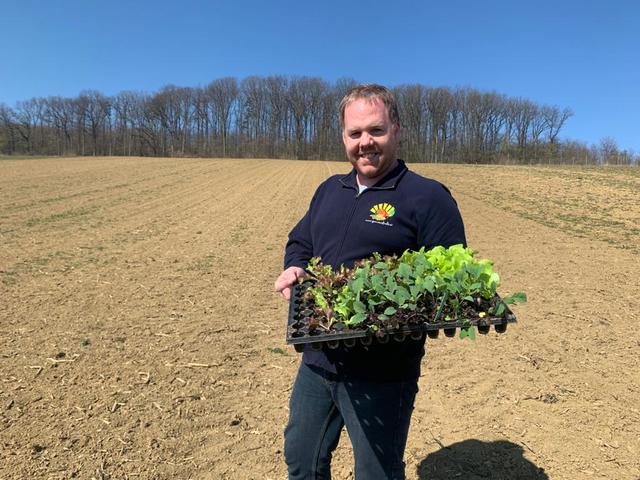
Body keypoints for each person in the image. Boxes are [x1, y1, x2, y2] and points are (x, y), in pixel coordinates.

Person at [274, 84, 466, 479]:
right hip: (318, 359)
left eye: (375, 130)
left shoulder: (427, 197)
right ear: (344, 137)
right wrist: (295, 266)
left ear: (396, 130)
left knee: (376, 474)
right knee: (302, 460)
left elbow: (451, 279)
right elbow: (301, 240)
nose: (366, 142)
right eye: (355, 133)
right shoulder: (330, 190)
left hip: (382, 371)